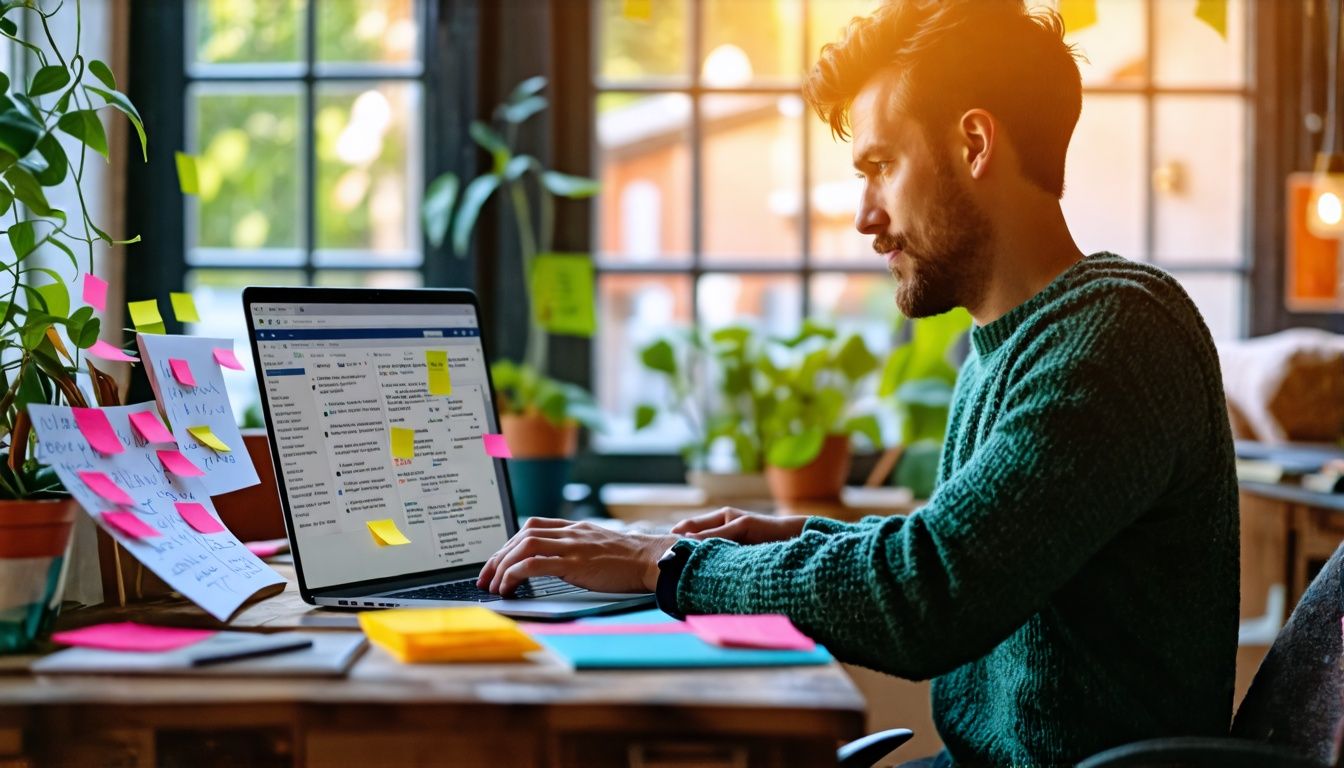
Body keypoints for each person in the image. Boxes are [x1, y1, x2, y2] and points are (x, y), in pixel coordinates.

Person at [478, 0, 1240, 764]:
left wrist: (661, 563)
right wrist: (795, 536)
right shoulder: (1019, 341)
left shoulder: (1115, 338)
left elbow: (930, 595)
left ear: (974, 142)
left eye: (880, 167)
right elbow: (972, 551)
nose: (865, 217)